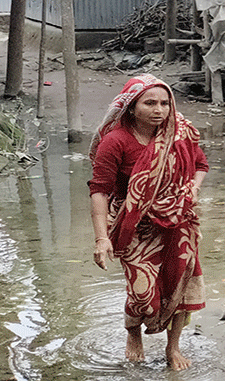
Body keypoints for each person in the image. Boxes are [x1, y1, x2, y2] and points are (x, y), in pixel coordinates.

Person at [88, 74, 207, 370]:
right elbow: (100, 190)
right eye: (150, 103)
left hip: (178, 223)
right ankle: (133, 332)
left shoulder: (178, 134)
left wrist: (192, 187)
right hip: (133, 226)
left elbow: (201, 165)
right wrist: (102, 238)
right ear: (131, 107)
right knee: (144, 296)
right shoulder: (115, 142)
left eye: (165, 103)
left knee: (180, 286)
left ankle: (172, 347)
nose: (160, 110)